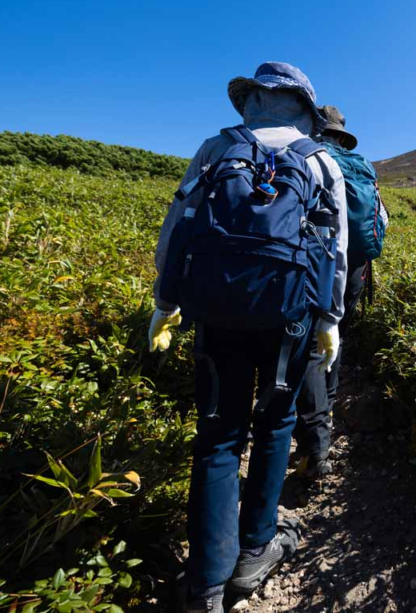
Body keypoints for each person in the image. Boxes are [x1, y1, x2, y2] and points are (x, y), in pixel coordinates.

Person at [148, 62, 349, 612]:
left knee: (217, 436)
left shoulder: (216, 148)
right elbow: (336, 249)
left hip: (214, 310)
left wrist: (166, 305)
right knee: (275, 422)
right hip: (289, 318)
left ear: (252, 101)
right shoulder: (320, 159)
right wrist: (329, 320)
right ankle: (255, 550)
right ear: (306, 109)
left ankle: (206, 585)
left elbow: (177, 225)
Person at [293, 105, 388, 477]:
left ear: (318, 130)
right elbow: (380, 218)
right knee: (335, 336)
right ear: (343, 135)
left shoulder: (306, 157)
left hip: (318, 262)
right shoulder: (362, 164)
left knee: (310, 347)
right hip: (356, 266)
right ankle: (327, 410)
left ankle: (314, 442)